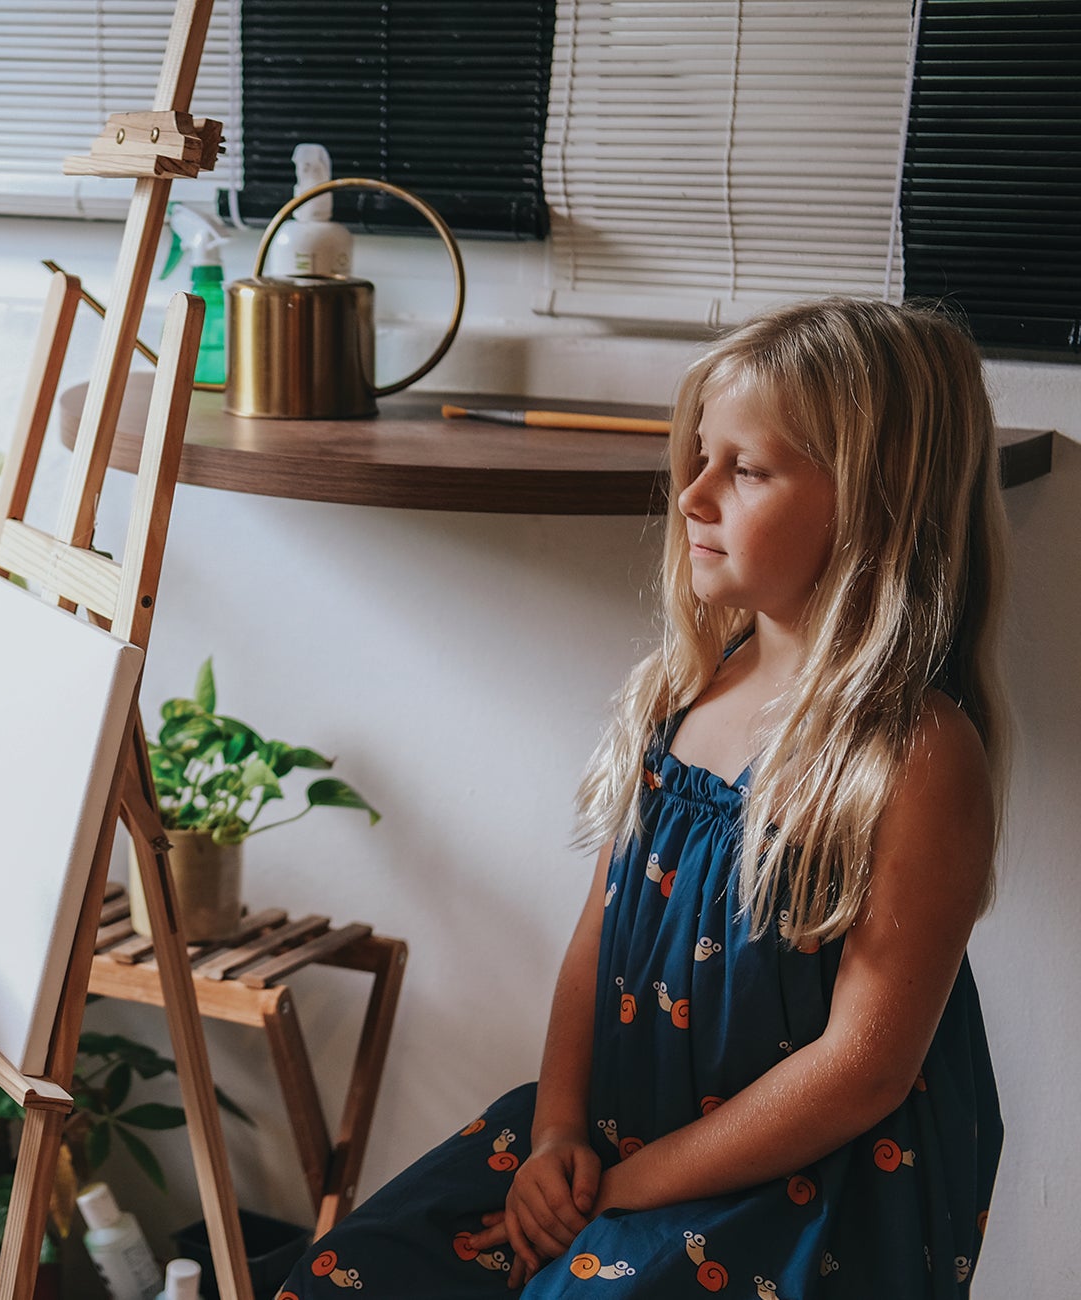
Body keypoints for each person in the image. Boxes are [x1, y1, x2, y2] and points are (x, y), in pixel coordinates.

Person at [279, 298, 1008, 1299]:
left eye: (745, 469)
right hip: (609, 1141)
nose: (691, 494)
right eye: (699, 458)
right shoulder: (682, 690)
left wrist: (621, 1192)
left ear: (874, 502)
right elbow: (597, 940)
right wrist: (555, 1135)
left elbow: (861, 1072)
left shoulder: (915, 755)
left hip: (795, 1189)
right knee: (348, 1272)